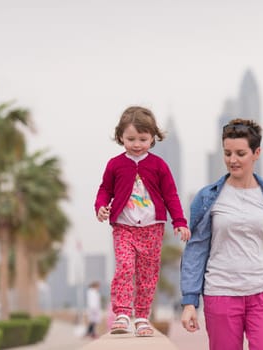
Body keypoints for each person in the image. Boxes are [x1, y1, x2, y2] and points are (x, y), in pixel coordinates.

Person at [180, 118, 263, 350]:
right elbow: (195, 250)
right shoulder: (207, 198)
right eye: (227, 153)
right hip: (220, 293)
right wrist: (189, 301)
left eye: (240, 153)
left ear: (256, 153)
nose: (232, 160)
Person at [94, 106, 190, 337]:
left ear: (153, 138)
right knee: (125, 268)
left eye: (143, 139)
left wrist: (179, 221)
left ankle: (142, 317)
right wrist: (100, 208)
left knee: (147, 275)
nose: (137, 144)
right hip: (124, 227)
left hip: (152, 229)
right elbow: (105, 190)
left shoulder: (159, 166)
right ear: (120, 137)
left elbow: (171, 195)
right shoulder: (115, 164)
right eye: (131, 139)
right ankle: (122, 314)